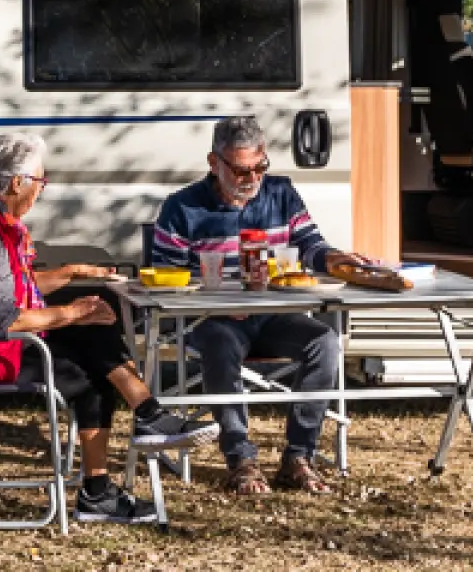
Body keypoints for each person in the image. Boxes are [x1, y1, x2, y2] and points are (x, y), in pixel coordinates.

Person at [0, 132, 218, 523]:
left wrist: (74, 274)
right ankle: (110, 474)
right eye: (41, 180)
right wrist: (73, 312)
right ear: (15, 183)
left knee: (94, 318)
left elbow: (18, 288)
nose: (43, 189)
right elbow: (9, 317)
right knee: (90, 365)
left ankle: (144, 419)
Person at [151, 116, 376, 495]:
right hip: (211, 320)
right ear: (214, 163)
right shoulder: (182, 208)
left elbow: (311, 245)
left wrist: (336, 258)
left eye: (260, 167)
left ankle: (299, 457)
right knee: (221, 344)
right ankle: (240, 459)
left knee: (324, 343)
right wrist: (215, 303)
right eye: (240, 170)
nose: (251, 178)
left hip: (273, 314)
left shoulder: (281, 194)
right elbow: (165, 282)